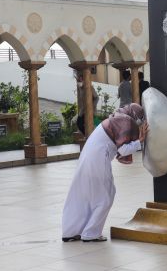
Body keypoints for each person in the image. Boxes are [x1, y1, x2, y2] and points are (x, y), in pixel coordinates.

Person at [62, 103, 149, 242]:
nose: (139, 123)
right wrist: (140, 141)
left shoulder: (117, 117)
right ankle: (90, 233)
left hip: (88, 157)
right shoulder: (125, 121)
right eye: (141, 119)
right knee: (106, 196)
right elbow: (123, 150)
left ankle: (70, 232)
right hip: (98, 158)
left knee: (82, 195)